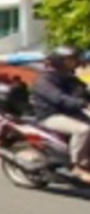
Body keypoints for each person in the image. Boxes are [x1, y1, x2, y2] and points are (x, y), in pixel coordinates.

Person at [32, 46, 90, 181]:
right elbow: (59, 98)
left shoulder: (69, 77)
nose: (73, 63)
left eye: (74, 60)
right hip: (51, 116)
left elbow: (83, 92)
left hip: (71, 113)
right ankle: (78, 166)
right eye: (69, 60)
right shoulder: (44, 80)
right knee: (84, 130)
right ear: (58, 61)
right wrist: (83, 104)